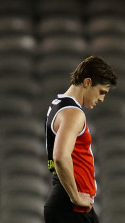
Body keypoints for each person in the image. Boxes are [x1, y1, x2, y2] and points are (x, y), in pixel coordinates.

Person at [44, 56, 118, 223]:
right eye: (101, 92)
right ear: (87, 82)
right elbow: (61, 157)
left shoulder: (57, 104)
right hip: (70, 207)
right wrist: (75, 197)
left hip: (65, 204)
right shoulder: (73, 113)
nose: (101, 99)